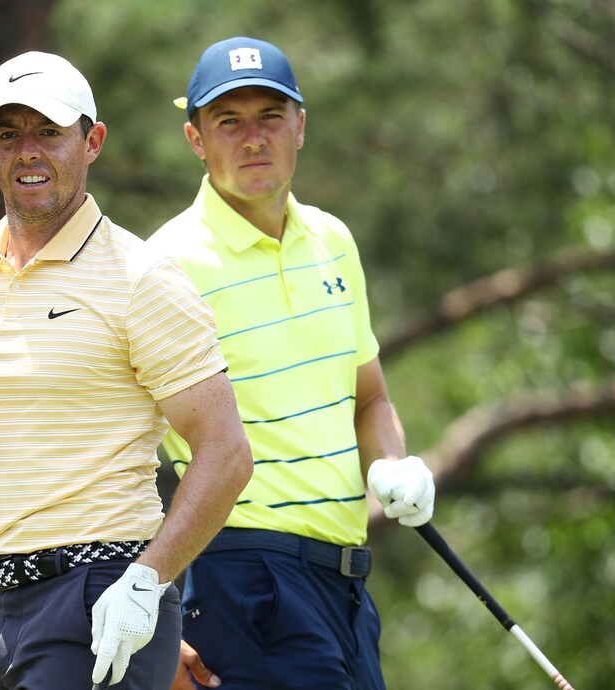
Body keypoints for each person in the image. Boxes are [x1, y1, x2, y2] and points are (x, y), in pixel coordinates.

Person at [0, 51, 253, 690]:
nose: (28, 151)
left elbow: (225, 451)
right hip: (1, 611)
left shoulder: (141, 278)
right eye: (10, 133)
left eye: (50, 132)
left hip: (104, 589)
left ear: (92, 143)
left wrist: (148, 582)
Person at [147, 37, 436, 690]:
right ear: (196, 138)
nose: (253, 139)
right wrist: (157, 612)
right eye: (229, 121)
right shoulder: (165, 266)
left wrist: (391, 462)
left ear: (300, 126)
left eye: (270, 117)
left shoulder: (334, 242)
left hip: (346, 583)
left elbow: (370, 399)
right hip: (242, 580)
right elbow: (119, 452)